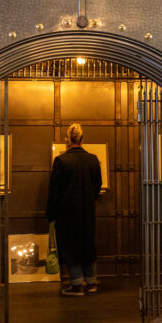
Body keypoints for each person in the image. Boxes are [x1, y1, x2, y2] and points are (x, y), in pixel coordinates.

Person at [46, 123, 102, 296]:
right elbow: (97, 185)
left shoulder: (61, 161)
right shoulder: (93, 159)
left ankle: (77, 285)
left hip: (67, 212)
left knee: (71, 246)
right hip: (88, 210)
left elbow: (54, 190)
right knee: (88, 243)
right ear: (82, 139)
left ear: (67, 140)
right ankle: (92, 282)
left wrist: (51, 214)